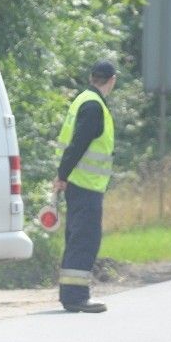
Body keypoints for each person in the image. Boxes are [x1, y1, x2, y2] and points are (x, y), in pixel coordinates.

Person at [53, 59, 118, 313]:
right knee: (84, 239)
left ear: (92, 77)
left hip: (79, 183)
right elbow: (78, 144)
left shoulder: (83, 99)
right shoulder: (94, 106)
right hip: (85, 185)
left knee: (78, 238)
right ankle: (76, 295)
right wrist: (63, 175)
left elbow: (73, 143)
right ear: (112, 79)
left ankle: (71, 294)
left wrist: (62, 175)